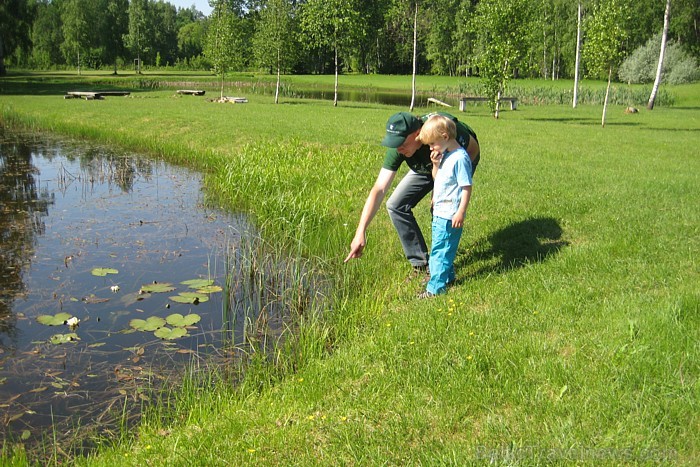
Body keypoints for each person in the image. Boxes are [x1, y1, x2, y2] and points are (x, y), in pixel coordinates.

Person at [344, 111, 479, 279]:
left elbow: (473, 151)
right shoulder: (399, 149)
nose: (398, 148)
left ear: (417, 134)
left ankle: (442, 269)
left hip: (453, 165)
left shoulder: (444, 132)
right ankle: (421, 264)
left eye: (401, 142)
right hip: (426, 167)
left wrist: (448, 188)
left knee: (441, 210)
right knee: (395, 205)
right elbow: (379, 189)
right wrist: (360, 231)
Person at [416, 115, 473, 298]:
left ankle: (435, 289)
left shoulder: (460, 158)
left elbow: (466, 187)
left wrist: (461, 212)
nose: (431, 148)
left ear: (445, 136)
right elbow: (437, 178)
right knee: (441, 248)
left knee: (440, 251)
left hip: (450, 214)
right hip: (440, 211)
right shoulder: (446, 155)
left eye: (432, 143)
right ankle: (446, 277)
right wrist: (435, 164)